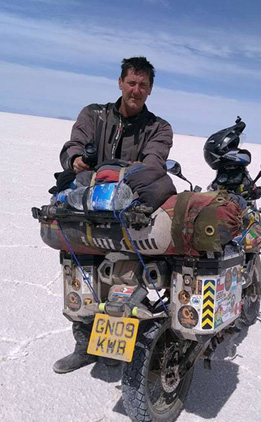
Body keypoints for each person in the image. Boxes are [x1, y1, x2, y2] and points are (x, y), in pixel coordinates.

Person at [53, 56, 175, 374]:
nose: (136, 90)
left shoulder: (159, 128)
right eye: (131, 82)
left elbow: (153, 163)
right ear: (120, 83)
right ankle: (84, 345)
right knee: (79, 276)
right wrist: (77, 159)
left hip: (129, 210)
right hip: (86, 207)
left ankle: (127, 341)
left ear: (150, 90)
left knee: (126, 273)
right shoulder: (94, 114)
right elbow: (73, 146)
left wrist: (115, 173)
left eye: (143, 85)